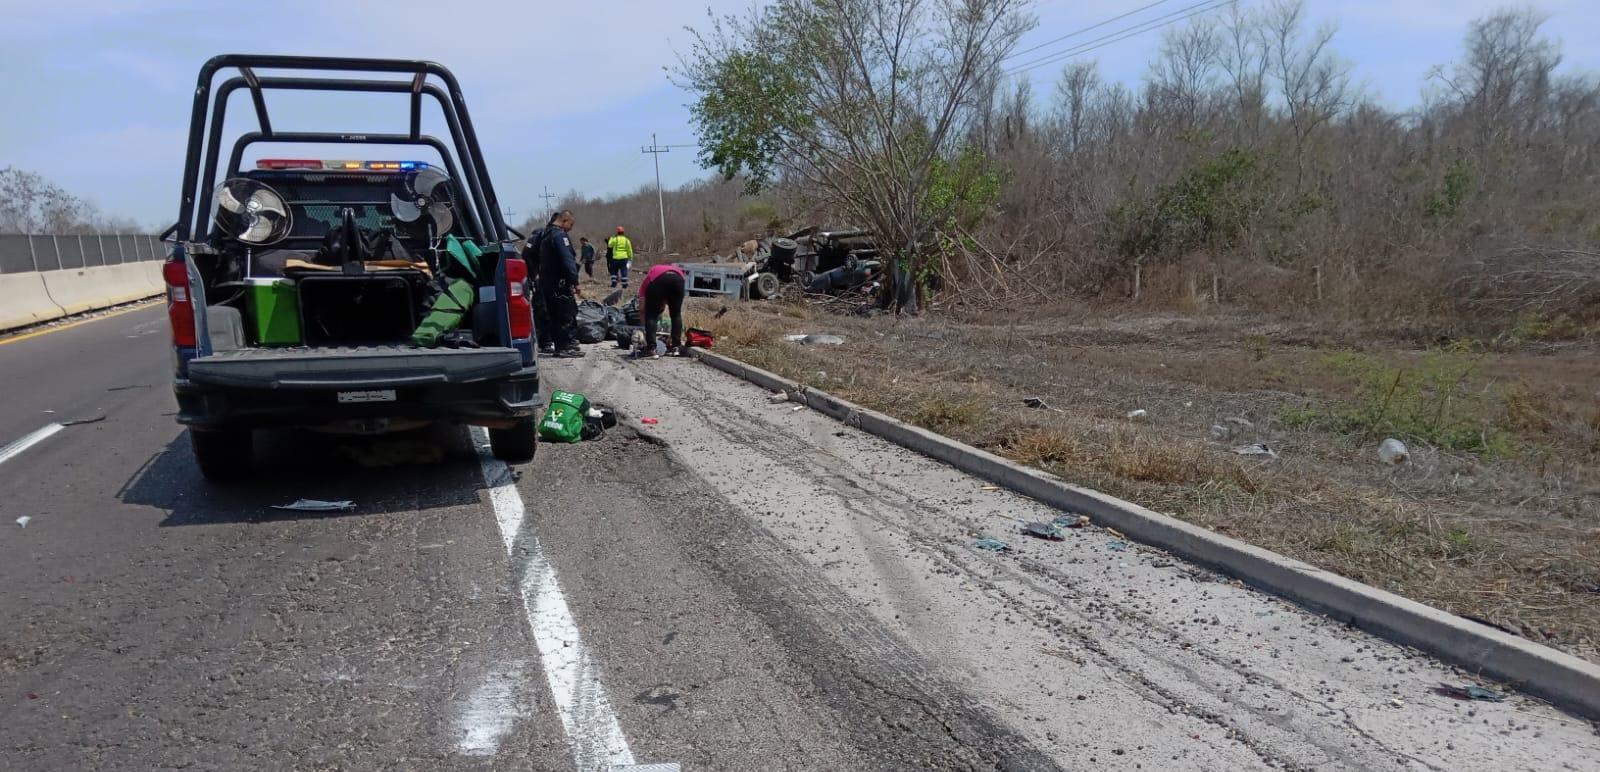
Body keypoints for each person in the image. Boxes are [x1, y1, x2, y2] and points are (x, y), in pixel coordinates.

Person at [538, 210, 584, 358]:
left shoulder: (546, 235)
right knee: (565, 314)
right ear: (564, 220)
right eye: (570, 224)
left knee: (554, 315)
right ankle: (565, 347)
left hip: (548, 283)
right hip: (559, 284)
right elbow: (567, 260)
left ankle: (561, 346)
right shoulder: (559, 236)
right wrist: (575, 282)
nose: (570, 228)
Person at [637, 262, 686, 358]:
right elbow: (666, 301)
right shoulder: (675, 270)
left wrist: (644, 327)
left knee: (651, 315)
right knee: (676, 314)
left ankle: (651, 349)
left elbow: (642, 309)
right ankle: (676, 347)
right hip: (679, 280)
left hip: (659, 280)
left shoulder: (648, 280)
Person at [520, 228, 555, 354]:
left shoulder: (545, 237)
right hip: (539, 279)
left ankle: (547, 340)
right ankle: (545, 342)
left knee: (546, 309)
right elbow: (526, 255)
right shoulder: (538, 237)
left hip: (545, 279)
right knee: (542, 309)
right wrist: (535, 275)